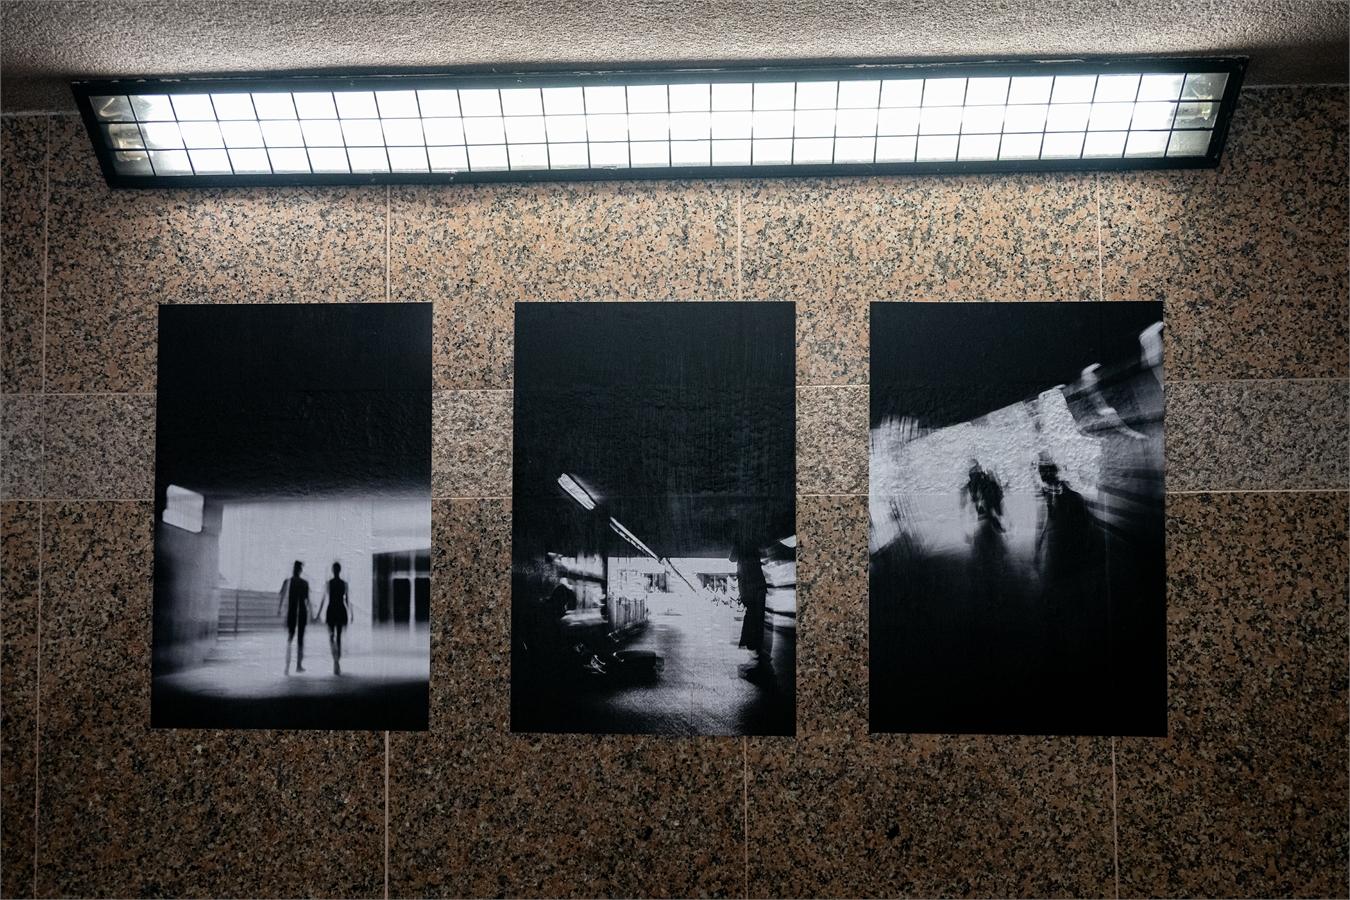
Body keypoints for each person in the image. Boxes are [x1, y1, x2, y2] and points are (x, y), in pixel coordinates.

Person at [727, 518, 773, 685]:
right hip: (757, 586)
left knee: (753, 620)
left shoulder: (741, 544)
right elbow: (765, 553)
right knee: (757, 621)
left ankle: (757, 658)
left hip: (750, 587)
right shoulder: (753, 543)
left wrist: (737, 542)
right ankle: (759, 658)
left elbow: (732, 558)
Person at [315, 561, 352, 675]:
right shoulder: (344, 584)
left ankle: (335, 660)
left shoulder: (329, 583)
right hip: (340, 610)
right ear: (339, 570)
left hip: (331, 610)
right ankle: (337, 661)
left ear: (333, 570)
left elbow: (323, 599)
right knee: (339, 636)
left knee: (331, 636)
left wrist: (318, 613)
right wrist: (351, 613)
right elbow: (347, 600)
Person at [276, 560, 311, 674]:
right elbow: (307, 600)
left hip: (292, 612)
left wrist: (279, 609)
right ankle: (298, 665)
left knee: (290, 638)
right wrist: (311, 614)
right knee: (300, 639)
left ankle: (287, 666)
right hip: (302, 612)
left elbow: (282, 596)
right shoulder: (304, 583)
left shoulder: (287, 581)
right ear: (300, 570)